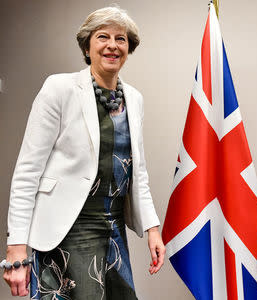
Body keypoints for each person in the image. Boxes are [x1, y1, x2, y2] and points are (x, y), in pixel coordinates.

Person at [2, 6, 165, 299]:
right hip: (67, 231)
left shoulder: (134, 99)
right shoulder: (59, 88)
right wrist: (16, 248)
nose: (112, 45)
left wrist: (152, 227)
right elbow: (28, 172)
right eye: (103, 36)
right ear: (87, 46)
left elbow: (136, 171)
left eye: (121, 38)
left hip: (113, 230)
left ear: (129, 48)